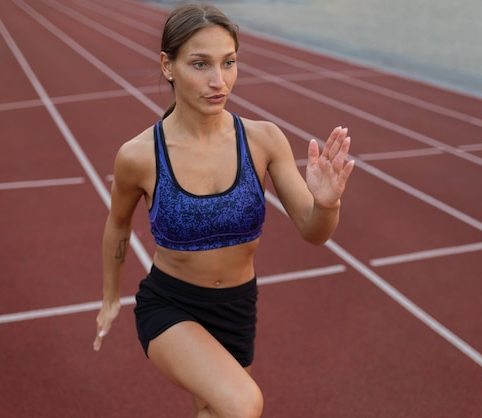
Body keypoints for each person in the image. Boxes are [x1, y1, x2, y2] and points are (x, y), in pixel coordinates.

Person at [93, 3, 355, 417]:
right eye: (200, 64)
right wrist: (110, 297)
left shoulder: (264, 140)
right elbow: (118, 224)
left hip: (237, 309)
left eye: (228, 62)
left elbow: (314, 231)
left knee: (214, 411)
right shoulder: (139, 156)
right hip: (170, 305)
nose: (219, 81)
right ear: (168, 65)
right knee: (242, 402)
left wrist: (327, 202)